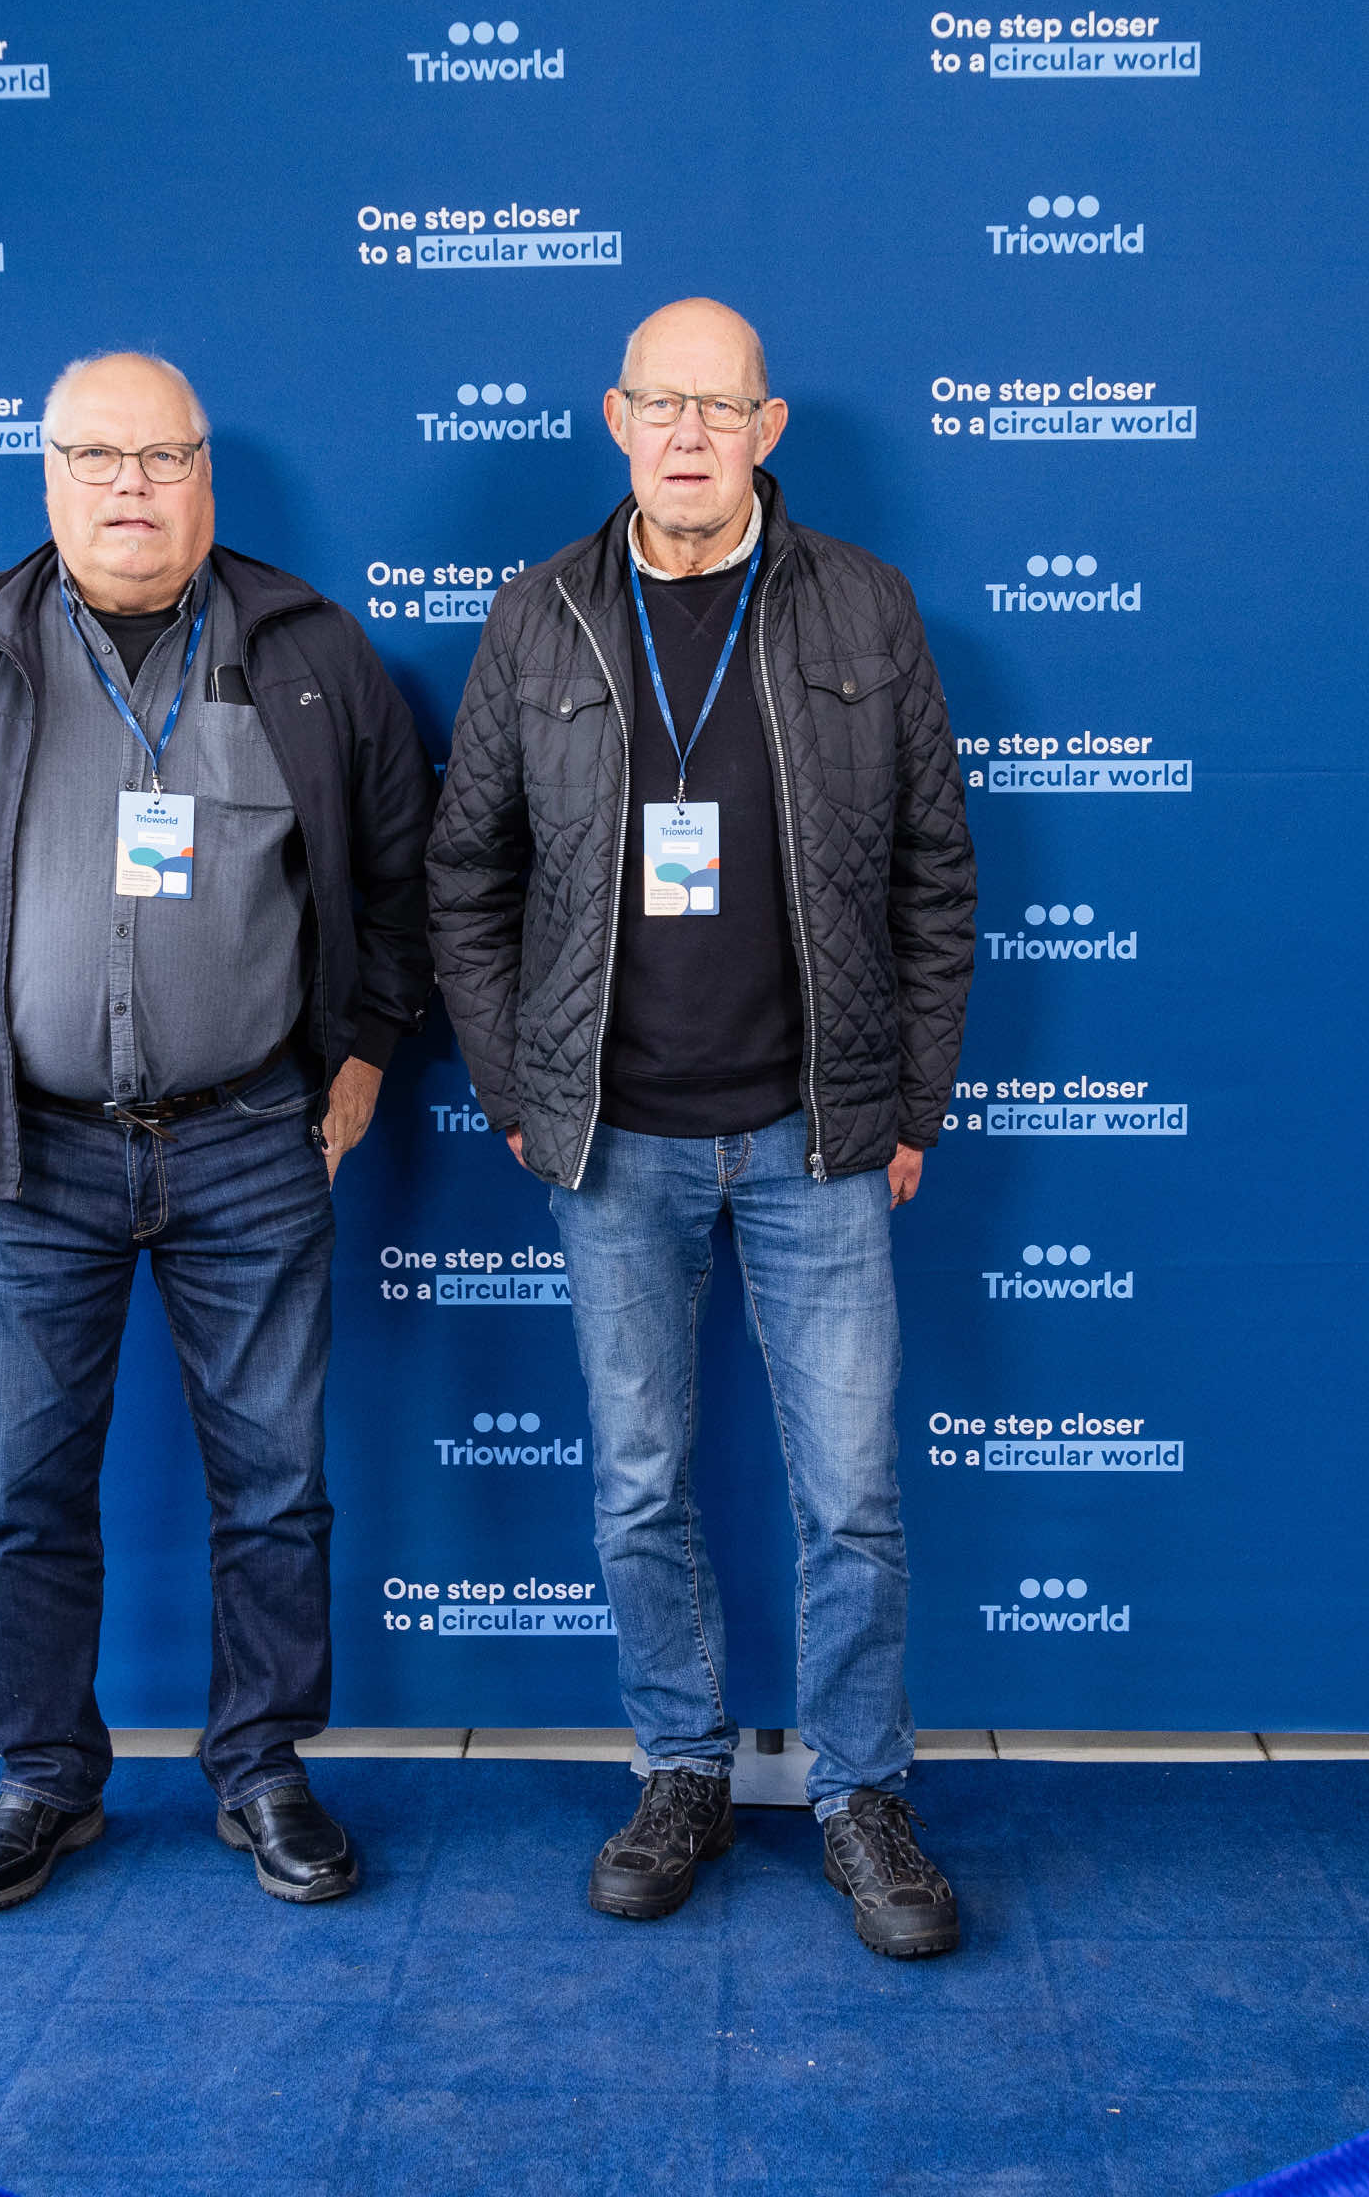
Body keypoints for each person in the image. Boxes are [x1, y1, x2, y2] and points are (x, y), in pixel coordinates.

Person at [0, 350, 434, 1912]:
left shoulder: (306, 648)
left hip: (253, 1138)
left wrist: (366, 1050)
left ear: (206, 475)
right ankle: (44, 1779)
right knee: (25, 1491)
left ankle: (262, 1768)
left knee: (276, 1487)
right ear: (51, 476)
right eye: (97, 457)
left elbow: (402, 875)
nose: (131, 488)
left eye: (161, 457)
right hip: (26, 1151)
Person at [426, 299, 978, 1957]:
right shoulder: (538, 618)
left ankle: (862, 1793)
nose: (687, 434)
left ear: (766, 429)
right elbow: (467, 879)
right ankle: (679, 1770)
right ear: (616, 420)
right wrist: (520, 1090)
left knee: (853, 1497)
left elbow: (935, 876)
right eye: (660, 405)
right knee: (639, 1485)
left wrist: (910, 1097)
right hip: (615, 1141)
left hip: (817, 1131)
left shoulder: (864, 607)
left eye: (719, 408)